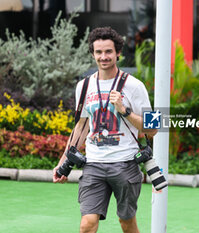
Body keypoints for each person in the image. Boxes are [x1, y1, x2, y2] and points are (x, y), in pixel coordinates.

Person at [53, 27, 157, 233]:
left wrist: (124, 110)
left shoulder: (136, 86)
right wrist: (63, 162)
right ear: (92, 54)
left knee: (127, 224)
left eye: (108, 51)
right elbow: (81, 126)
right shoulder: (83, 86)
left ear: (118, 52)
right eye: (98, 52)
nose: (104, 57)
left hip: (126, 164)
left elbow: (152, 130)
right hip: (93, 164)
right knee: (87, 224)